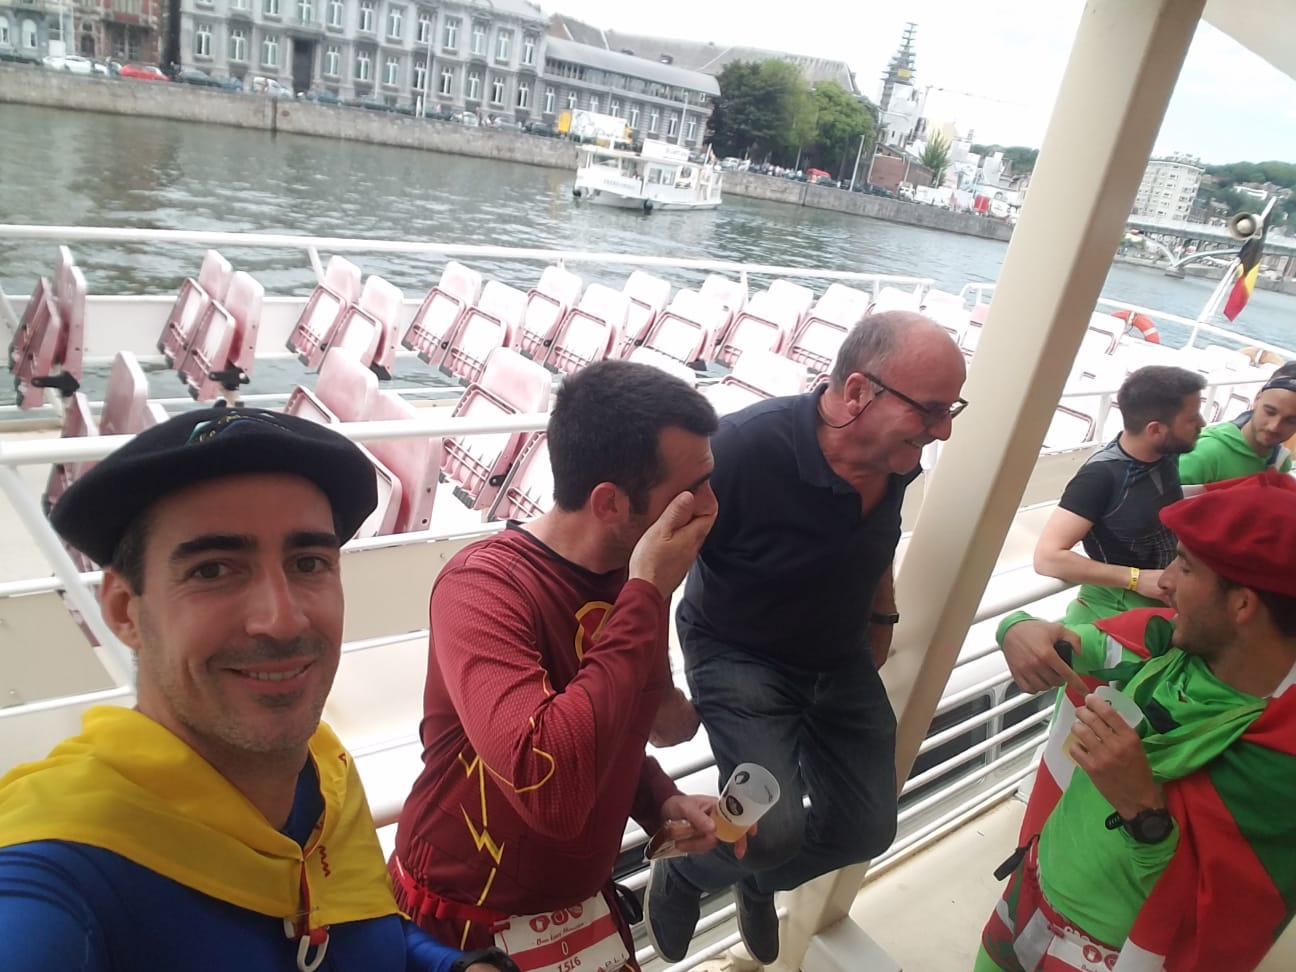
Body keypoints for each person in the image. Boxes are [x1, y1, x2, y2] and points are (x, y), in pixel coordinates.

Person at [0, 407, 513, 972]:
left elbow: (358, 933)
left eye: (308, 562)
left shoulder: (323, 774)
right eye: (213, 570)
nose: (283, 620)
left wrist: (452, 966)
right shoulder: (59, 871)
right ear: (124, 611)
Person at [644, 312, 969, 965]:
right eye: (932, 410)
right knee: (771, 831)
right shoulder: (740, 452)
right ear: (857, 392)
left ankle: (757, 882)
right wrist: (656, 691)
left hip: (839, 656)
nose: (944, 430)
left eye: (951, 409)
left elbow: (874, 538)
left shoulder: (896, 456)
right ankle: (686, 872)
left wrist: (881, 615)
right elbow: (648, 569)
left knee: (866, 828)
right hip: (739, 655)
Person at [391, 360, 732, 968]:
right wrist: (647, 595)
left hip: (578, 903)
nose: (711, 505)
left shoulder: (634, 574)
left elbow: (624, 725)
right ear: (610, 503)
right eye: (692, 491)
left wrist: (660, 799)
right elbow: (550, 786)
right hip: (465, 917)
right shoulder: (484, 586)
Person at [975, 470, 1296, 972]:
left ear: (1242, 604)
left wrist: (1142, 809)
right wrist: (1016, 627)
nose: (1162, 581)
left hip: (1101, 956)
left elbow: (1223, 917)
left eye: (1184, 567)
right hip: (1028, 891)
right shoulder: (1164, 642)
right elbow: (1068, 640)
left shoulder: (1282, 762)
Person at [1034, 365, 1206, 626]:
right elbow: (1047, 557)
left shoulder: (1166, 453)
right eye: (1192, 419)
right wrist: (1136, 579)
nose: (1202, 423)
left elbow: (1154, 497)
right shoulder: (1100, 476)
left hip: (1170, 599)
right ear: (1155, 430)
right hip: (1117, 609)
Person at [1178, 363, 1296, 485]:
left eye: (1291, 421)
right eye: (1270, 412)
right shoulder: (1203, 455)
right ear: (1257, 398)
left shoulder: (1281, 462)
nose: (1274, 427)